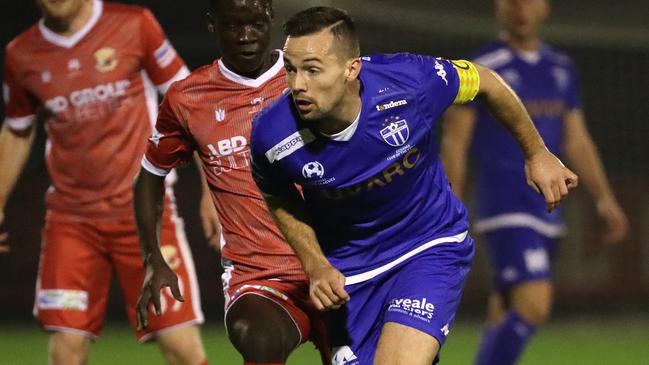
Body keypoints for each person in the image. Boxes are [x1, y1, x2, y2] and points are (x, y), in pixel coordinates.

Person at [249, 6, 579, 365]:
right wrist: (314, 264)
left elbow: (486, 81)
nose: (298, 84)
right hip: (350, 273)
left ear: (351, 68)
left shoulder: (411, 82)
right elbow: (277, 195)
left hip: (428, 245)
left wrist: (537, 153)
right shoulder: (272, 135)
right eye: (291, 70)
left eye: (313, 70)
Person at [0, 1, 210, 364]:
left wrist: (211, 189)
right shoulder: (22, 54)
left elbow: (186, 99)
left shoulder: (134, 25)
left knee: (181, 347)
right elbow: (18, 130)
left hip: (144, 214)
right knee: (66, 351)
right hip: (71, 220)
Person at [134, 1, 330, 364]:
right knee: (255, 339)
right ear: (212, 24)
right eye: (233, 26)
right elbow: (150, 175)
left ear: (271, 17)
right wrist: (153, 258)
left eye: (255, 24)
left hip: (339, 261)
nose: (245, 36)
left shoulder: (309, 77)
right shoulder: (188, 97)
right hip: (261, 277)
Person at [440, 1, 629, 364]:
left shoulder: (560, 67)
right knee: (535, 304)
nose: (520, 9)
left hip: (549, 205)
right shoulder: (483, 67)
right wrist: (452, 204)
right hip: (505, 204)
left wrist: (604, 198)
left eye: (528, 1)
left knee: (505, 309)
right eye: (511, 1)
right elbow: (455, 141)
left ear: (545, 7)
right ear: (498, 9)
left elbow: (577, 140)